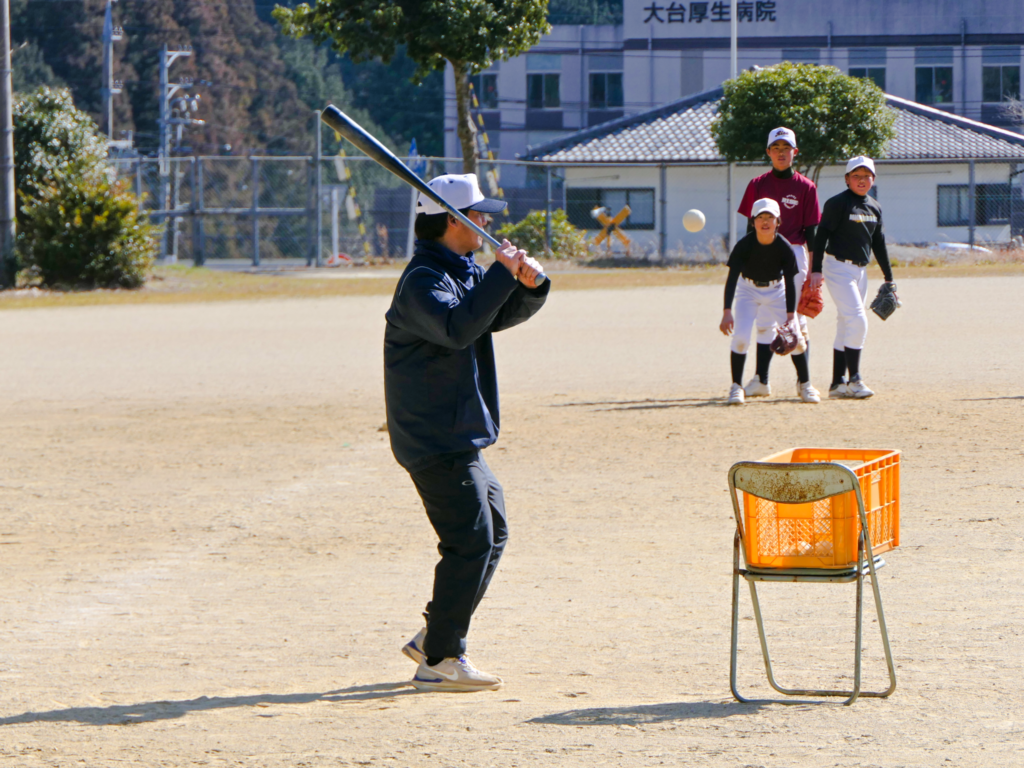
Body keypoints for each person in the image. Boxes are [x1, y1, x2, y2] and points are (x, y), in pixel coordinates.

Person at [384, 173, 549, 692]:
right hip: (434, 436)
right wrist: (500, 274)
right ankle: (440, 659)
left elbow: (488, 317)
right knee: (469, 539)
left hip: (457, 431)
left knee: (492, 530)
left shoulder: (458, 270)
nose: (487, 222)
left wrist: (529, 286)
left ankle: (436, 633)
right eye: (478, 214)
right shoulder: (422, 282)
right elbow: (457, 328)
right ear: (450, 221)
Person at [737, 127, 821, 402]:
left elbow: (812, 234)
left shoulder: (806, 187)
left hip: (794, 254)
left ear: (795, 152)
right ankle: (761, 380)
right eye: (776, 148)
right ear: (768, 152)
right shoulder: (757, 184)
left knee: (794, 319)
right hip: (762, 252)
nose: (781, 153)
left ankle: (804, 383)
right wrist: (747, 260)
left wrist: (815, 269)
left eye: (787, 148)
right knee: (763, 319)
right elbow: (749, 229)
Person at [809, 156, 894, 399]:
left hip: (860, 271)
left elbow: (879, 243)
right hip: (837, 268)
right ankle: (855, 379)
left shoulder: (875, 206)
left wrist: (889, 278)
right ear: (847, 179)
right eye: (856, 175)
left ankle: (837, 383)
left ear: (873, 179)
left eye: (866, 175)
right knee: (858, 320)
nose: (861, 180)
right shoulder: (838, 203)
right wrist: (816, 269)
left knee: (846, 323)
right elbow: (821, 235)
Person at [721, 198, 813, 404]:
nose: (765, 222)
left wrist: (790, 317)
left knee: (795, 337)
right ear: (752, 222)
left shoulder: (784, 247)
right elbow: (732, 278)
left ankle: (805, 384)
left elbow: (790, 282)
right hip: (748, 291)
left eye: (769, 217)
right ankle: (736, 387)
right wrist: (727, 310)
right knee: (741, 337)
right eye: (760, 217)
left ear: (778, 222)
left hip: (777, 290)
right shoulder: (744, 245)